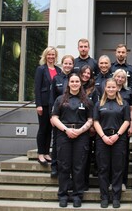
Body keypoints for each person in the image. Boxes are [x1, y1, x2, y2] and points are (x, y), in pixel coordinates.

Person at [50, 73, 93, 208]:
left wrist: (80, 131)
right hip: (64, 135)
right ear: (68, 83)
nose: (75, 83)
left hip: (82, 135)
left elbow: (91, 120)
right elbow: (54, 118)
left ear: (80, 84)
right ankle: (63, 195)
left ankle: (77, 195)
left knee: (79, 167)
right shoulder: (60, 99)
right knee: (64, 166)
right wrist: (66, 130)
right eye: (72, 81)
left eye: (77, 81)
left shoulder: (87, 101)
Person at [93, 78, 131, 209]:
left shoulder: (123, 104)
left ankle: (116, 197)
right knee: (103, 169)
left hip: (119, 138)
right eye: (108, 87)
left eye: (113, 87)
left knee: (117, 169)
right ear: (105, 88)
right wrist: (103, 136)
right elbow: (95, 121)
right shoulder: (99, 104)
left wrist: (117, 135)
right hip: (102, 138)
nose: (110, 89)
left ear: (117, 88)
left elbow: (127, 121)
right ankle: (104, 197)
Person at [34, 46, 62, 166]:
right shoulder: (41, 69)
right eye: (49, 55)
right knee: (43, 128)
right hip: (44, 104)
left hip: (55, 104)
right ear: (45, 56)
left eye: (53, 55)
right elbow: (37, 88)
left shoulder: (58, 70)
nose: (51, 57)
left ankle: (46, 153)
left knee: (50, 129)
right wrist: (38, 104)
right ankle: (40, 153)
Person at [49, 54, 74, 178]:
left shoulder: (75, 78)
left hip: (71, 115)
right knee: (56, 142)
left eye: (70, 63)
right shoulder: (56, 79)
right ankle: (54, 167)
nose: (68, 65)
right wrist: (51, 116)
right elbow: (52, 99)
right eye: (66, 63)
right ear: (62, 64)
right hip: (58, 116)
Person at [113, 68, 132, 191]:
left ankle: (123, 181)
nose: (120, 79)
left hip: (124, 127)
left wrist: (131, 125)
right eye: (118, 76)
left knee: (123, 156)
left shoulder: (128, 92)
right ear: (114, 77)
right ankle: (112, 180)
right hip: (110, 126)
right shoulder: (109, 89)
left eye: (122, 77)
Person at [78, 64, 99, 188]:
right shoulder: (74, 86)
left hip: (89, 128)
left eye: (88, 73)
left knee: (86, 157)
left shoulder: (94, 90)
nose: (86, 75)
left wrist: (93, 126)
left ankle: (85, 182)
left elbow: (96, 108)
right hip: (76, 126)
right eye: (84, 73)